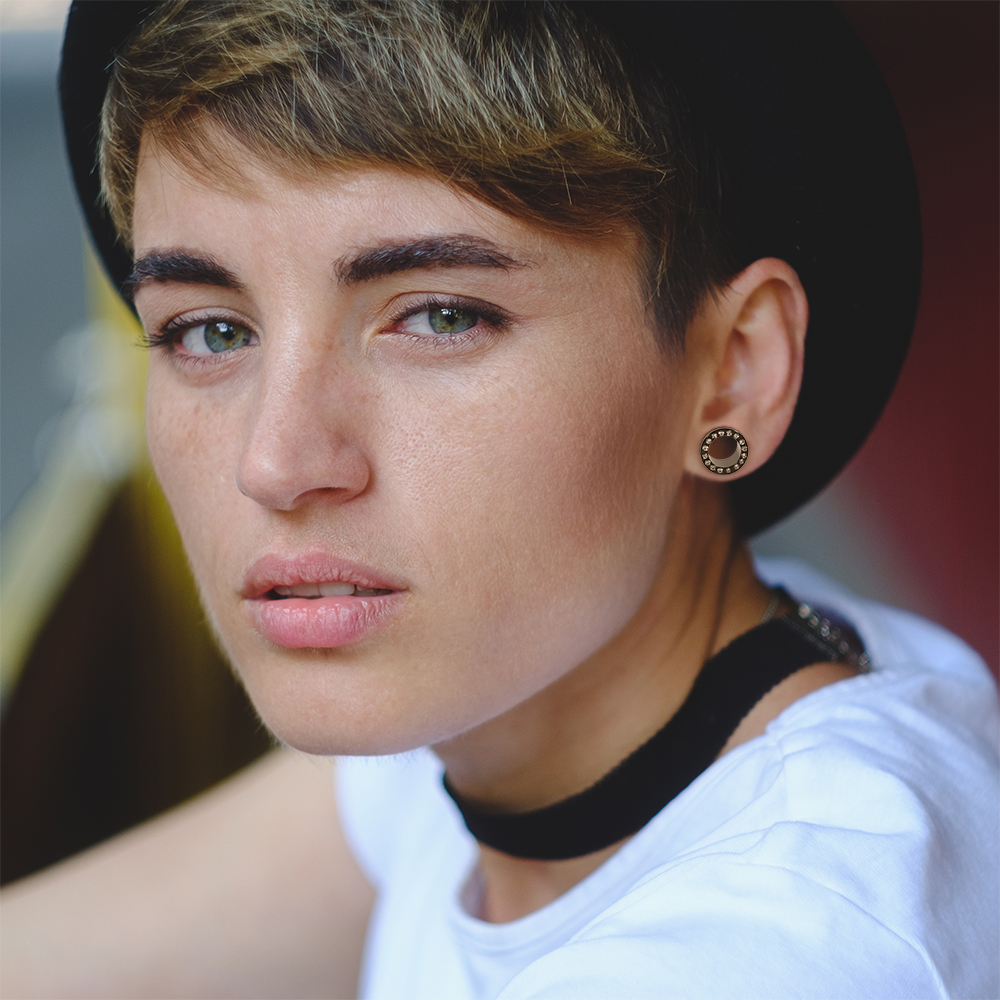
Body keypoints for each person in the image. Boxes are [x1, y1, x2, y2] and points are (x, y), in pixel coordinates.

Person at [2, 2, 997, 997]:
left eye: (441, 317)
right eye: (210, 332)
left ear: (731, 371)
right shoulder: (524, 700)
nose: (275, 462)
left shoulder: (792, 942)